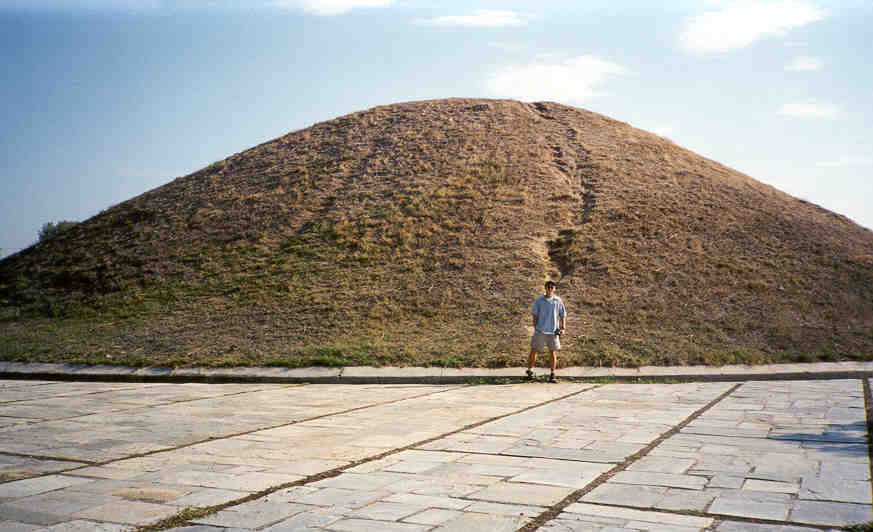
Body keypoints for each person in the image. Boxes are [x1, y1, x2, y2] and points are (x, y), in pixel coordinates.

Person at [527, 280, 566, 382]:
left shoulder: (558, 301)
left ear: (554, 289)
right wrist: (536, 327)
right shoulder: (539, 301)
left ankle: (552, 374)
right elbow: (534, 314)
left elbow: (563, 315)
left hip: (553, 332)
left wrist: (563, 328)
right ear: (545, 288)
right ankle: (530, 371)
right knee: (534, 350)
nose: (550, 289)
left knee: (552, 352)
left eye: (551, 287)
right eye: (548, 287)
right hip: (540, 331)